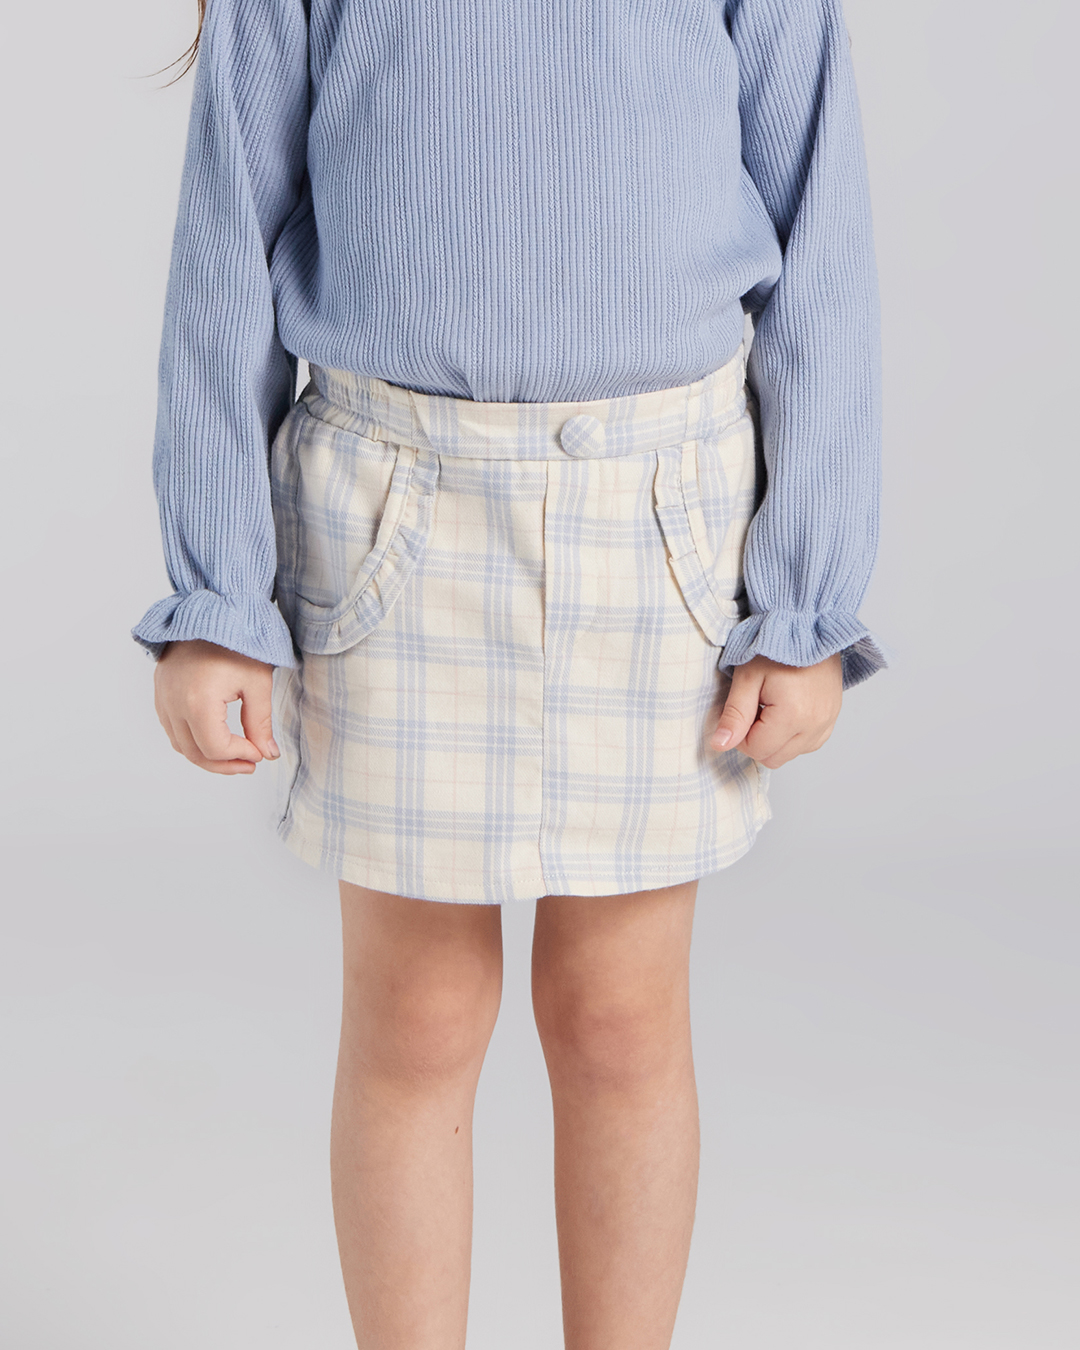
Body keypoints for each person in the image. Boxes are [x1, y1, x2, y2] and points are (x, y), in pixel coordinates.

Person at [132, 0, 887, 1343]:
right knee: (416, 1016)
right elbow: (226, 237)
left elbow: (819, 235)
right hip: (396, 508)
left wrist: (806, 599)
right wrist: (218, 596)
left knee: (619, 1018)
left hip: (658, 521)